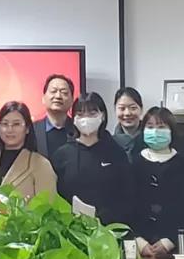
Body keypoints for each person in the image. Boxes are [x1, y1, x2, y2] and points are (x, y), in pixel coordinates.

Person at [129, 107, 184, 258]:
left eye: (161, 127)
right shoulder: (133, 164)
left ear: (172, 130)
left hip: (178, 247)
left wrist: (169, 241)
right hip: (139, 245)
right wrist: (138, 240)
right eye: (150, 127)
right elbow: (125, 206)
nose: (155, 132)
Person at [50, 92, 134, 225]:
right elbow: (54, 195)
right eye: (80, 114)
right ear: (74, 118)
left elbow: (127, 195)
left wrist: (103, 218)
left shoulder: (116, 153)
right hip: (70, 228)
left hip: (109, 230)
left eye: (92, 113)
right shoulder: (62, 154)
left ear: (103, 116)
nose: (86, 118)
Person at [0, 101, 58, 202]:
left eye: (16, 124)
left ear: (27, 128)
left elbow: (47, 205)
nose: (10, 129)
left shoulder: (41, 165)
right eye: (5, 124)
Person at [33, 74, 77, 159]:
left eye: (64, 93)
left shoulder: (79, 130)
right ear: (43, 98)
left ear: (72, 100)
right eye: (53, 91)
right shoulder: (32, 130)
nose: (58, 96)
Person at [112, 87, 145, 160]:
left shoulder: (152, 141)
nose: (127, 113)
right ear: (115, 109)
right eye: (122, 108)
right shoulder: (109, 143)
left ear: (141, 109)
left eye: (133, 108)